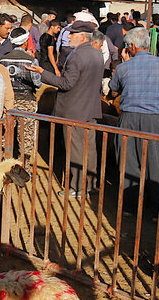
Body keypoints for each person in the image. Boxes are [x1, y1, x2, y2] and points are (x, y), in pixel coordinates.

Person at [30, 21, 105, 198]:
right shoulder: (97, 54)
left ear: (82, 36)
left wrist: (42, 72)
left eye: (72, 33)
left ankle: (77, 188)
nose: (68, 36)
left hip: (74, 112)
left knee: (77, 150)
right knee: (90, 149)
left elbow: (66, 83)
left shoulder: (77, 56)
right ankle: (90, 185)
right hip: (90, 110)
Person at [108, 26, 159, 191]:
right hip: (154, 119)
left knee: (128, 161)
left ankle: (130, 206)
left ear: (131, 46)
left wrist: (124, 63)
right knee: (156, 163)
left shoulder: (123, 68)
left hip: (129, 119)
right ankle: (155, 209)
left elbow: (113, 86)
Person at [0, 27, 41, 158]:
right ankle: (25, 171)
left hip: (7, 103)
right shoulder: (31, 60)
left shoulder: (3, 60)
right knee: (26, 140)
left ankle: (4, 168)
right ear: (26, 42)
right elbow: (37, 83)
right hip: (27, 102)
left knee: (5, 137)